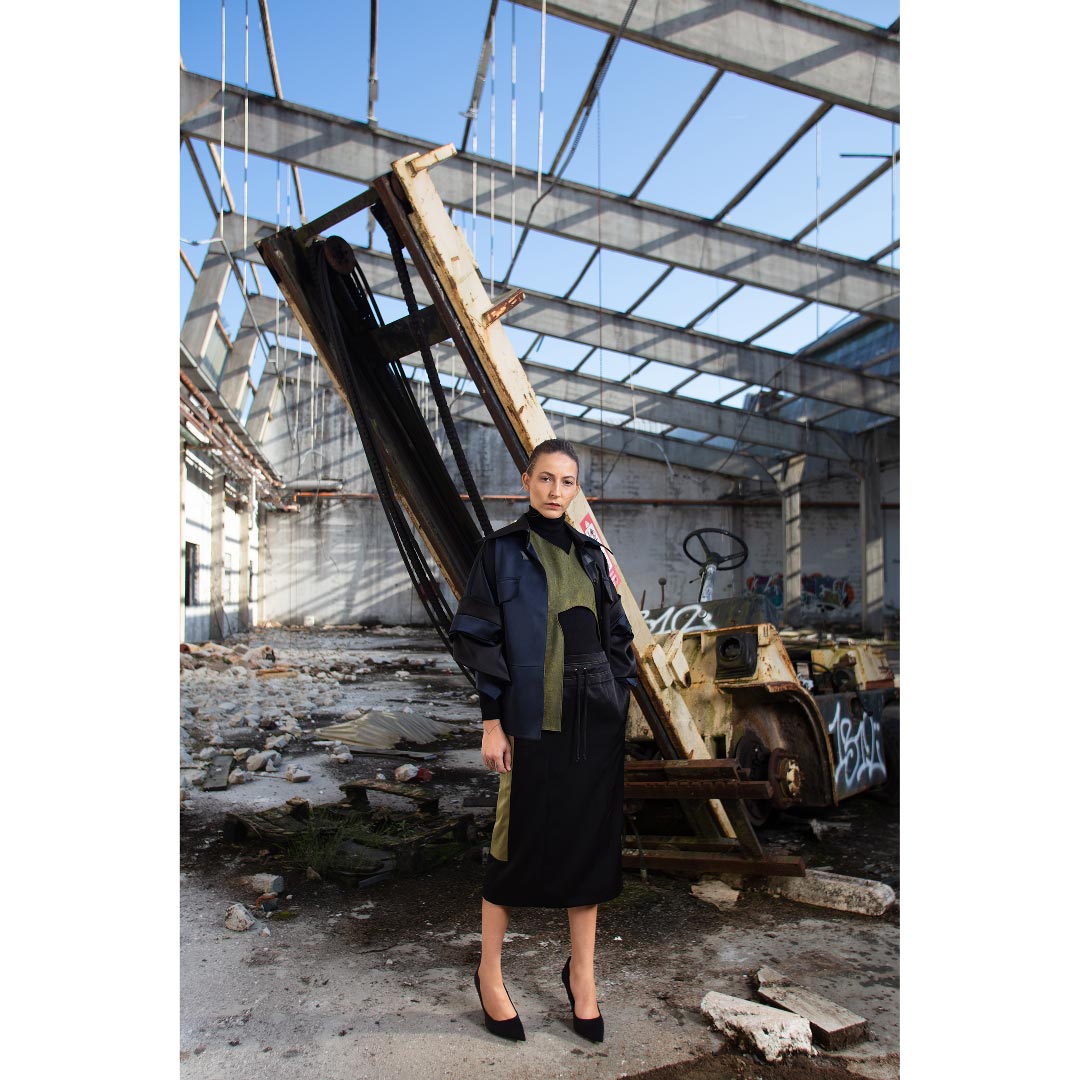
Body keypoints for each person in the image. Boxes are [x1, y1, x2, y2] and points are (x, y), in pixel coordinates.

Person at [448, 438, 638, 1044]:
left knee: (590, 849)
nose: (557, 491)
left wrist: (616, 695)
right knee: (512, 850)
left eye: (568, 481)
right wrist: (492, 723)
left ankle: (582, 976)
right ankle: (489, 972)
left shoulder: (591, 554)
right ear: (526, 481)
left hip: (595, 725)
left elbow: (618, 634)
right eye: (547, 478)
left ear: (577, 489)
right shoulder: (501, 552)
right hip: (532, 725)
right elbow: (480, 639)